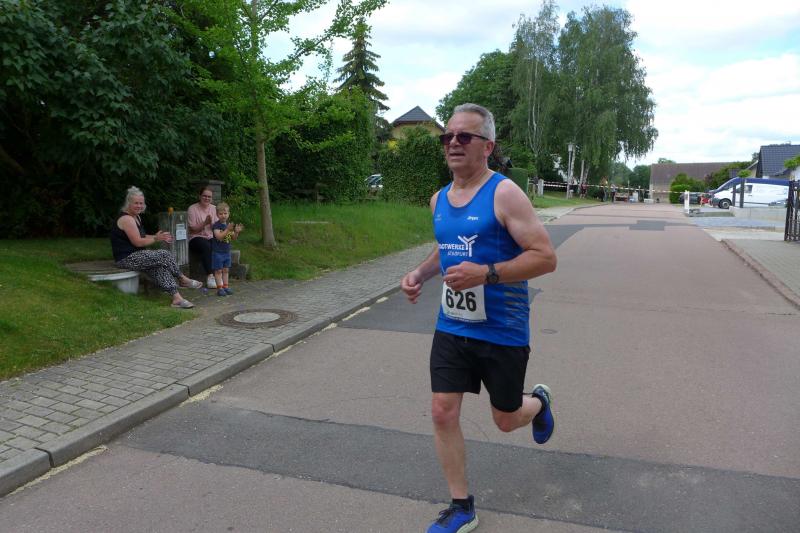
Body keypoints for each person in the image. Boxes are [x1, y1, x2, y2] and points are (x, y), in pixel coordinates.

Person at [400, 103, 558, 533]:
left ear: (487, 146)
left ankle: (538, 403)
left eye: (464, 136)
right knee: (441, 411)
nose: (453, 143)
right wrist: (420, 274)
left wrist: (486, 274)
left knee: (505, 420)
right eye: (447, 136)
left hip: (502, 329)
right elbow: (448, 247)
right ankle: (461, 507)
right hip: (452, 326)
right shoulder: (438, 199)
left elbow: (545, 257)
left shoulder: (505, 194)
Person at [110, 186, 202, 308]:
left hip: (138, 256)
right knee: (164, 254)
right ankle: (182, 278)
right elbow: (137, 242)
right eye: (136, 203)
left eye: (141, 203)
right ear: (129, 203)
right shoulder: (127, 219)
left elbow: (142, 236)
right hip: (126, 259)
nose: (139, 206)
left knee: (159, 267)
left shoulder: (136, 217)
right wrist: (155, 239)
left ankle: (177, 298)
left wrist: (157, 236)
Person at [187, 185, 218, 288]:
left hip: (210, 236)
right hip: (195, 238)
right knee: (206, 246)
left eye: (209, 197)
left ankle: (219, 274)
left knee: (219, 244)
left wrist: (213, 225)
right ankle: (210, 276)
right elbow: (192, 229)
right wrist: (205, 223)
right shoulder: (192, 208)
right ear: (200, 196)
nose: (207, 198)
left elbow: (217, 227)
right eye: (204, 196)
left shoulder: (214, 208)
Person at [211, 202, 243, 297]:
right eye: (221, 214)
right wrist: (228, 229)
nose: (223, 215)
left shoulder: (228, 225)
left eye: (225, 213)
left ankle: (226, 287)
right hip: (217, 252)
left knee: (226, 270)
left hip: (226, 252)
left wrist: (236, 232)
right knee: (218, 271)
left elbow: (233, 238)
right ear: (217, 215)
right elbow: (219, 237)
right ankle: (219, 288)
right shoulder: (216, 225)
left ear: (228, 214)